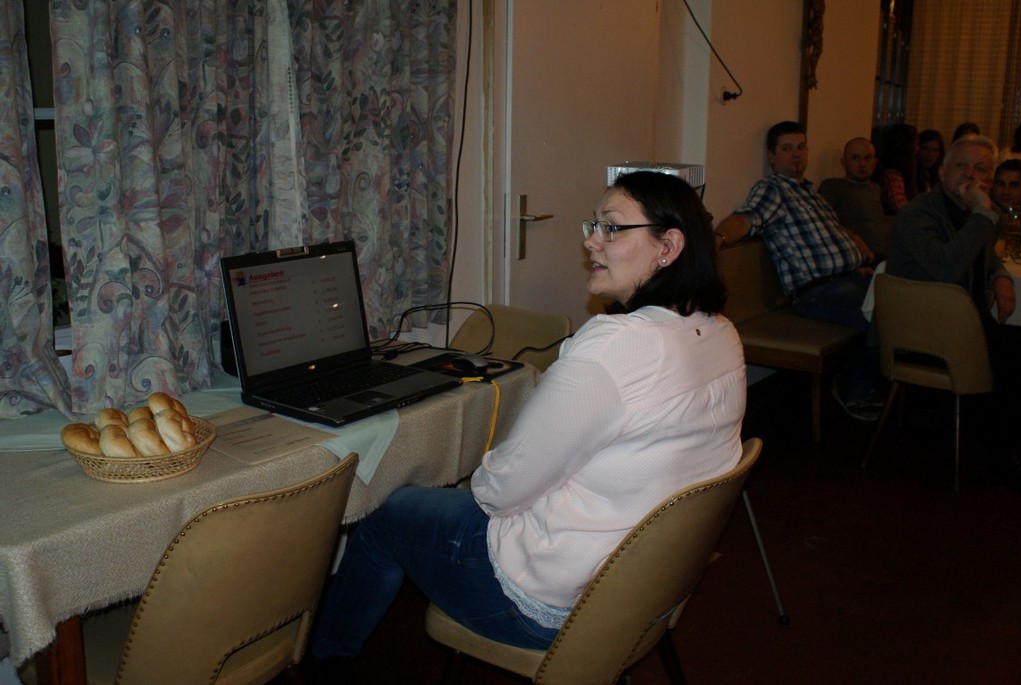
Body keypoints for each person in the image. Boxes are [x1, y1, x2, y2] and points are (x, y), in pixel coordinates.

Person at [310, 171, 747, 681]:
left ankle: (327, 659)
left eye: (611, 228)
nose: (591, 241)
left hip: (552, 599)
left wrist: (490, 471)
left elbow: (498, 493)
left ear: (667, 247)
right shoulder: (722, 332)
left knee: (386, 511)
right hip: (646, 585)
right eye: (594, 226)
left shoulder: (613, 345)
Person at [715, 121, 883, 420]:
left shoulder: (811, 193)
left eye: (801, 147)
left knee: (902, 302)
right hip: (818, 292)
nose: (796, 154)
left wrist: (857, 257)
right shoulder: (773, 190)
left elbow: (833, 232)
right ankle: (853, 387)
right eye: (787, 149)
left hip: (850, 278)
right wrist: (716, 238)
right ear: (772, 155)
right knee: (886, 317)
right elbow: (746, 219)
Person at [887, 134, 1021, 488]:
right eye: (962, 165)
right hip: (921, 331)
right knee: (1014, 354)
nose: (970, 174)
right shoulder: (918, 213)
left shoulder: (970, 211)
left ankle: (997, 440)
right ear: (943, 171)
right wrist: (983, 214)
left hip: (959, 322)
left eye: (980, 169)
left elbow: (982, 255)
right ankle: (1003, 454)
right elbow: (945, 267)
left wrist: (999, 275)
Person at [819, 136, 892, 258]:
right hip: (857, 255)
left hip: (885, 254)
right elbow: (824, 222)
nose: (862, 164)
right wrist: (855, 240)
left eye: (867, 158)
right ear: (843, 163)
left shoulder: (876, 188)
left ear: (874, 162)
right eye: (855, 158)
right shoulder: (832, 186)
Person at [875, 123, 919, 215]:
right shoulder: (893, 176)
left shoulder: (915, 172)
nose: (917, 149)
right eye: (916, 144)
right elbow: (900, 206)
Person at [916, 129, 945, 193]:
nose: (930, 154)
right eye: (925, 149)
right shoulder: (912, 174)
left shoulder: (942, 175)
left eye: (935, 150)